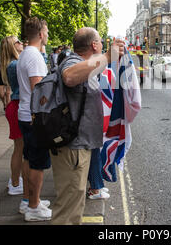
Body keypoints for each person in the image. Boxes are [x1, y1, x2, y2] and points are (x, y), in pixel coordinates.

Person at [52, 27, 125, 225]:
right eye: (100, 42)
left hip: (80, 147)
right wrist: (108, 56)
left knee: (74, 207)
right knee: (67, 211)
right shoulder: (73, 61)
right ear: (94, 45)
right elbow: (69, 77)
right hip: (73, 149)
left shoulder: (86, 64)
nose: (102, 45)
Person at [17, 17, 52, 221]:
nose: (47, 34)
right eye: (46, 31)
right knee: (38, 162)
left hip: (25, 113)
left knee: (28, 158)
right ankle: (34, 206)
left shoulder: (25, 53)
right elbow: (39, 92)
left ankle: (27, 200)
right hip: (33, 117)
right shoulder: (35, 57)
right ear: (40, 34)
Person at [0, 36, 24, 196]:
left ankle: (15, 180)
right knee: (20, 149)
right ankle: (15, 183)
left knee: (19, 148)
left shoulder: (12, 64)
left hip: (14, 106)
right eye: (18, 42)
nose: (21, 43)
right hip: (17, 107)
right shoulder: (15, 64)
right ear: (12, 46)